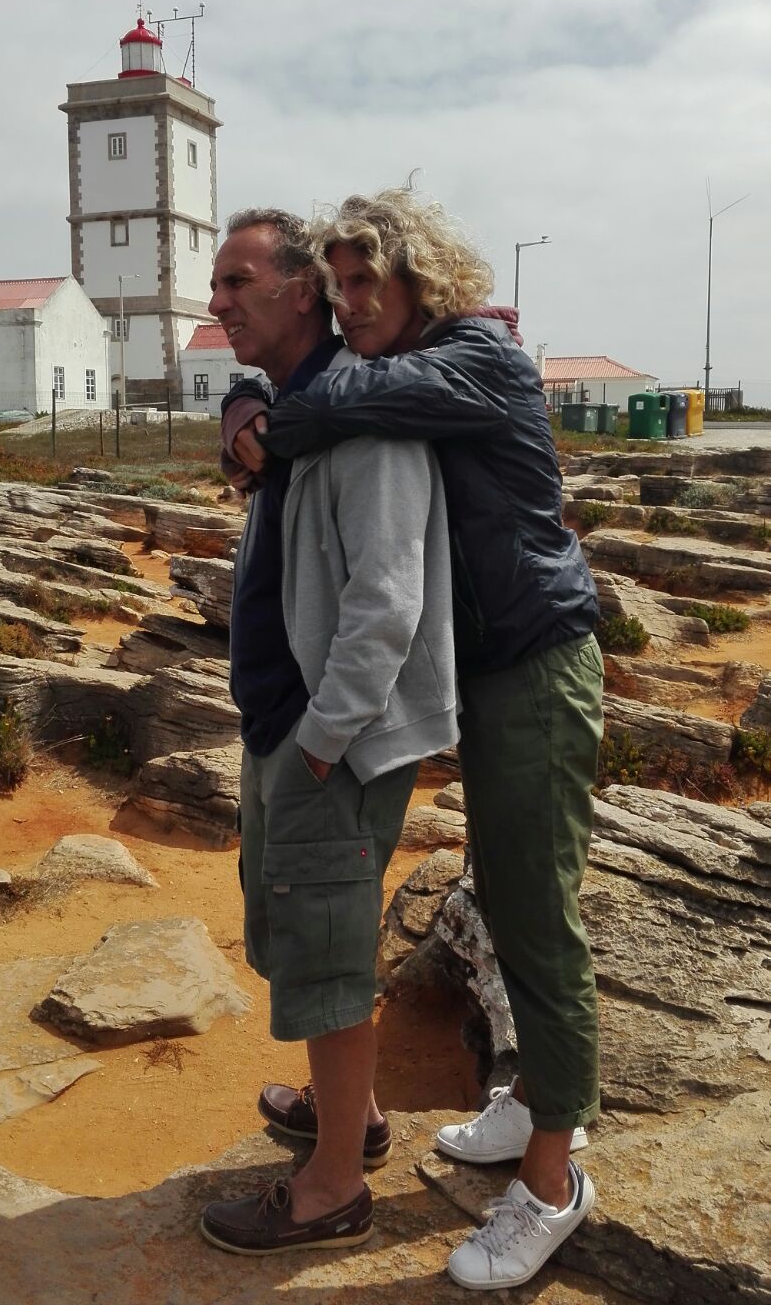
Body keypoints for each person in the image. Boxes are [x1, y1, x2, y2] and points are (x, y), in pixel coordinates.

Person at [221, 187, 603, 1292]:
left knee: (539, 915)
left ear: (416, 277)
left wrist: (255, 413)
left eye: (360, 282)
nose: (346, 303)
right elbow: (321, 389)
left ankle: (549, 1181)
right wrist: (245, 394)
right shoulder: (393, 370)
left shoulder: (475, 357)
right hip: (486, 674)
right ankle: (532, 1098)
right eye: (334, 283)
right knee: (509, 893)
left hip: (534, 662)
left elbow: (346, 398)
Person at [199, 207, 459, 1257]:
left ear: (300, 288)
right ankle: (349, 1112)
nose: (216, 302)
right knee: (296, 931)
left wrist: (323, 736)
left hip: (328, 738)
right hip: (285, 721)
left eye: (234, 282)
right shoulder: (292, 408)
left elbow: (387, 602)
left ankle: (333, 1188)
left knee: (329, 952)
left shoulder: (365, 413)